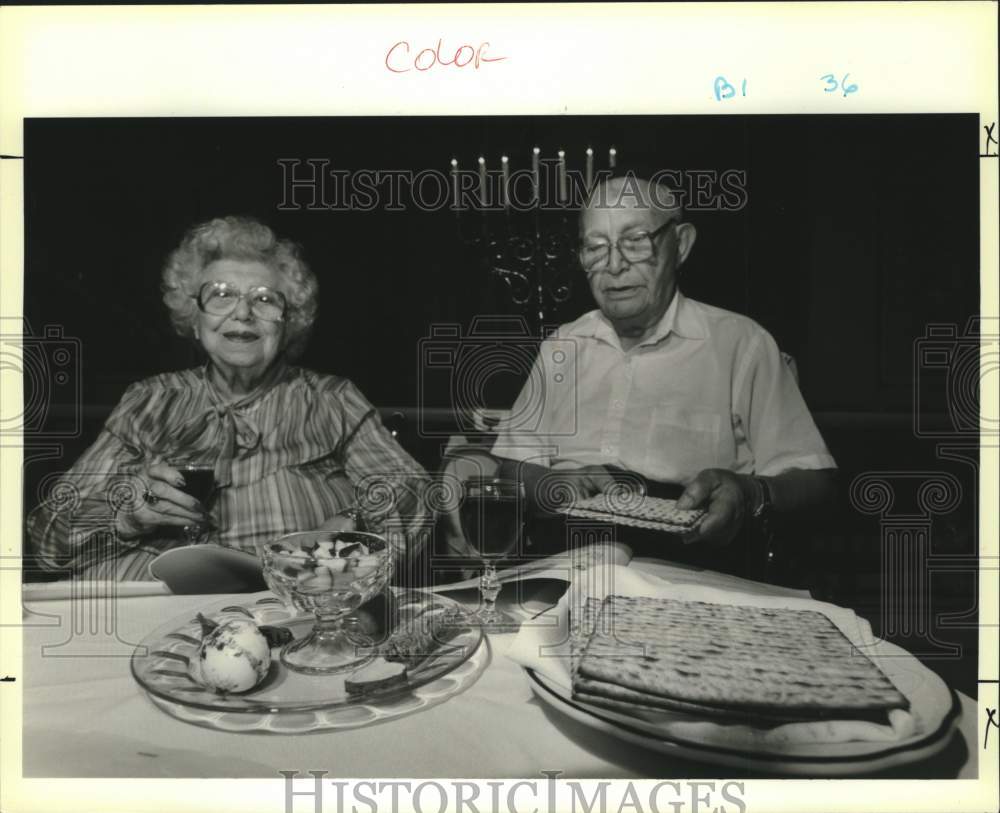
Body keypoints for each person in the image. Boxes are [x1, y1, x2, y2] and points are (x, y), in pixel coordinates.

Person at [28, 216, 431, 581]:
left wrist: (353, 521)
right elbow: (50, 537)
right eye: (221, 295)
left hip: (286, 600)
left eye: (264, 299)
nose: (242, 313)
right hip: (147, 604)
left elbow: (412, 493)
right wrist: (124, 516)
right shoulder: (149, 399)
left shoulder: (331, 398)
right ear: (195, 315)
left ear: (288, 320)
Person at [491, 170, 837, 560]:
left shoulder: (742, 344)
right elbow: (512, 469)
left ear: (681, 244)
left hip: (691, 565)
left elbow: (814, 480)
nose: (614, 265)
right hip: (568, 563)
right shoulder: (562, 346)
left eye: (635, 242)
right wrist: (550, 484)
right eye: (596, 247)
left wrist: (748, 492)